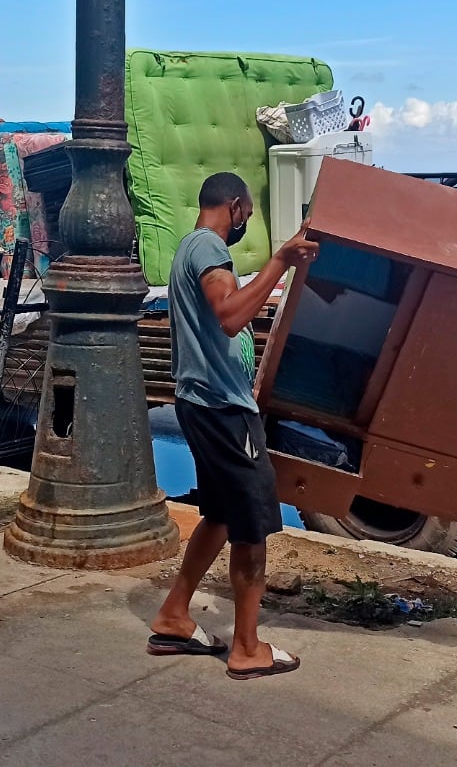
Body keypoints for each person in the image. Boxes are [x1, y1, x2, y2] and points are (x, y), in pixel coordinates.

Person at [149, 172, 319, 680]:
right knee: (251, 529)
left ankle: (173, 615)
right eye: (248, 211)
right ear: (236, 205)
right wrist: (280, 261)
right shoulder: (208, 247)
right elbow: (228, 315)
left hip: (205, 404)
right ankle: (247, 648)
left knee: (221, 516)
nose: (247, 220)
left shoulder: (193, 247)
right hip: (222, 412)